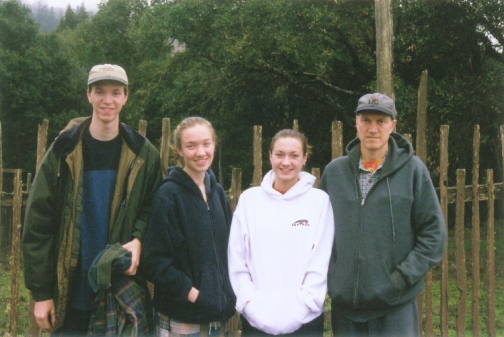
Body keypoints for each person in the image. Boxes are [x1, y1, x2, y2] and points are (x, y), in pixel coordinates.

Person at [22, 64, 163, 335]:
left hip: (118, 290)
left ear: (125, 97)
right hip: (70, 289)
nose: (107, 100)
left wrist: (138, 237)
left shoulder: (144, 154)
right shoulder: (62, 151)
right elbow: (38, 224)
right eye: (100, 91)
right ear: (89, 95)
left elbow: (155, 209)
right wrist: (41, 293)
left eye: (115, 92)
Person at [319, 93, 446, 337]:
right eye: (366, 120)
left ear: (393, 125)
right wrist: (333, 277)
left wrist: (398, 280)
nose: (373, 129)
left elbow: (433, 236)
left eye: (381, 121)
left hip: (394, 306)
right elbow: (317, 232)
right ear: (356, 123)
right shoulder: (334, 173)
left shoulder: (413, 171)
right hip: (345, 307)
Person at [228, 129, 335, 336]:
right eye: (279, 154)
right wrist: (251, 305)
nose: (286, 162)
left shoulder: (319, 202)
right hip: (256, 323)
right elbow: (237, 259)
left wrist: (303, 307)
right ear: (270, 156)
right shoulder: (250, 200)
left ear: (304, 158)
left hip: (305, 323)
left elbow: (320, 262)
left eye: (294, 155)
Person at [140, 117, 236, 337]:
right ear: (179, 150)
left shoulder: (218, 193)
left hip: (218, 319)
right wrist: (194, 295)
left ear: (214, 144)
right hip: (182, 320)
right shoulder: (168, 195)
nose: (200, 152)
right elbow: (154, 261)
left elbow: (230, 250)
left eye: (206, 144)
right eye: (191, 146)